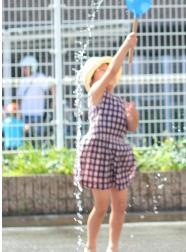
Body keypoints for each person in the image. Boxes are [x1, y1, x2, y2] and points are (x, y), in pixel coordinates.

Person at [75, 33, 140, 252]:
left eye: (107, 68)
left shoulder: (119, 101)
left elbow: (130, 128)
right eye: (101, 69)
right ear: (93, 79)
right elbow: (113, 70)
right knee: (101, 207)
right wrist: (126, 44)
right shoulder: (95, 93)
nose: (108, 71)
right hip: (98, 150)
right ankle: (91, 246)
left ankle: (113, 247)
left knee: (120, 206)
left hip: (118, 151)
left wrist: (134, 117)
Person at [16, 56, 53, 147]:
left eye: (26, 67)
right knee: (26, 137)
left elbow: (51, 86)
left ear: (32, 67)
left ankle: (38, 152)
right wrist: (19, 112)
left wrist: (54, 100)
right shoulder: (23, 80)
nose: (24, 69)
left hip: (37, 113)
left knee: (37, 136)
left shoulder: (40, 77)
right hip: (25, 113)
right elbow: (21, 98)